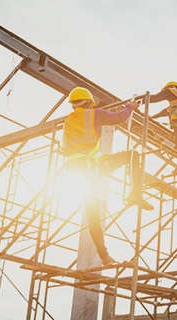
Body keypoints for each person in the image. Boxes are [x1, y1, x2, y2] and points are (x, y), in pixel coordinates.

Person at [63, 87, 153, 266]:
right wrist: (131, 106)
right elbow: (120, 117)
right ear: (89, 103)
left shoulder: (68, 121)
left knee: (93, 214)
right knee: (133, 156)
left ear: (73, 105)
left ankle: (104, 257)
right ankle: (135, 193)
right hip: (93, 166)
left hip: (79, 170)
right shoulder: (94, 114)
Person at [149, 81, 177, 174]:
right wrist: (153, 117)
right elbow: (166, 111)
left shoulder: (171, 91)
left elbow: (155, 98)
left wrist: (140, 100)